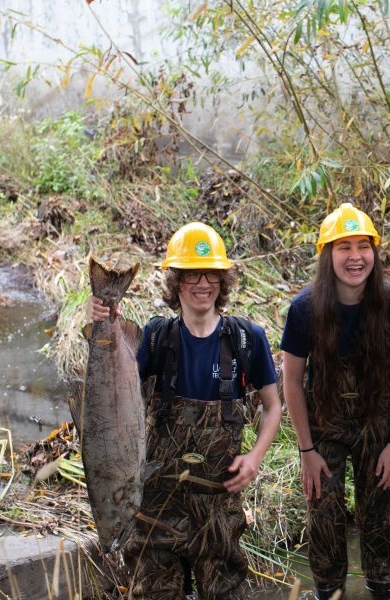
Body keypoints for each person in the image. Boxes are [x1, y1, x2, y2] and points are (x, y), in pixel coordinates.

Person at [89, 222, 281, 600]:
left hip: (219, 508)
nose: (203, 284)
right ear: (176, 283)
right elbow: (112, 393)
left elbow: (274, 407)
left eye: (211, 274)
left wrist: (255, 456)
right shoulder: (156, 338)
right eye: (191, 274)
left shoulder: (247, 339)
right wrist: (105, 321)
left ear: (223, 282)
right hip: (157, 508)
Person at [280, 203, 390, 600]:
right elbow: (291, 382)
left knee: (380, 518)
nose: (355, 257)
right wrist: (307, 450)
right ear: (327, 255)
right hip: (324, 426)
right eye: (343, 247)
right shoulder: (304, 308)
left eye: (363, 246)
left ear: (374, 251)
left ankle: (381, 589)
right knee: (324, 517)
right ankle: (329, 592)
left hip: (378, 424)